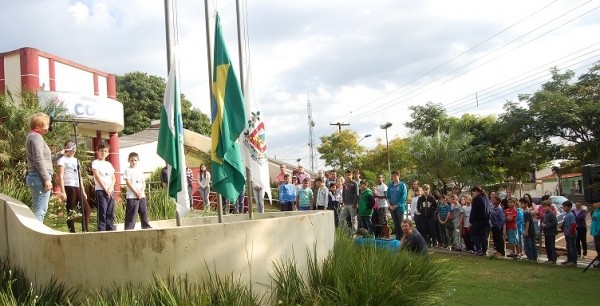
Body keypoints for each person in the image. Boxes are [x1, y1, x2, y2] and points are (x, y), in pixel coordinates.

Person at [56, 140, 91, 232]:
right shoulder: (62, 159)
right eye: (70, 148)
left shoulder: (76, 160)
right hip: (68, 185)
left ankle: (85, 231)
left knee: (87, 210)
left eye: (73, 148)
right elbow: (60, 176)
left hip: (77, 186)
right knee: (70, 209)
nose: (72, 150)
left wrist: (83, 191)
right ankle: (72, 231)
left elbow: (79, 176)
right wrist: (63, 192)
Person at [25, 112, 53, 222]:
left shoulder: (32, 135)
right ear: (39, 125)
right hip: (39, 176)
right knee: (40, 210)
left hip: (36, 175)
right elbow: (38, 159)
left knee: (38, 208)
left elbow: (41, 158)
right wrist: (46, 179)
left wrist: (60, 154)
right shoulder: (36, 137)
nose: (48, 126)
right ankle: (35, 236)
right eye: (46, 124)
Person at [123, 152, 151, 230]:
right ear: (129, 160)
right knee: (131, 214)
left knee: (143, 212)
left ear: (138, 161)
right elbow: (128, 182)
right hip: (132, 196)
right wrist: (136, 192)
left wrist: (141, 192)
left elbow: (143, 182)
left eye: (135, 160)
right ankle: (129, 229)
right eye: (132, 160)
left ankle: (146, 226)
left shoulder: (140, 170)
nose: (134, 162)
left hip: (141, 195)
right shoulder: (127, 170)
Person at [92, 142, 116, 231]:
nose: (103, 153)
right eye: (101, 151)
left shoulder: (109, 164)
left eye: (105, 151)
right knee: (103, 210)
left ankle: (110, 227)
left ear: (108, 153)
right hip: (101, 190)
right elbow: (97, 176)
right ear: (98, 151)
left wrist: (110, 187)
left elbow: (113, 178)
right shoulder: (95, 162)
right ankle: (101, 228)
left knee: (110, 210)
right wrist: (105, 188)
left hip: (110, 190)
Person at [387, 170, 408, 240]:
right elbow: (388, 196)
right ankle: (397, 239)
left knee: (401, 224)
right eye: (392, 176)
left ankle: (403, 239)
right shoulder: (390, 185)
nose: (393, 177)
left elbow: (404, 197)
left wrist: (396, 205)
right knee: (395, 224)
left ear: (399, 176)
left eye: (395, 175)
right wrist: (390, 205)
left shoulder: (402, 185)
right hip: (391, 207)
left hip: (399, 208)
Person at [469, 186, 490, 256]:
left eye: (473, 192)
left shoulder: (477, 199)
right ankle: (484, 250)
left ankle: (478, 248)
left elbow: (474, 211)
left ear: (476, 191)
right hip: (486, 220)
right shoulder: (486, 198)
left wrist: (471, 220)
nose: (473, 194)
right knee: (484, 236)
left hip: (477, 220)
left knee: (474, 234)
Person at [339, 170, 359, 234]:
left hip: (352, 205)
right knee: (341, 219)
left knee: (353, 220)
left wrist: (355, 203)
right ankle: (346, 232)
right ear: (345, 176)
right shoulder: (344, 184)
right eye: (347, 175)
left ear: (352, 175)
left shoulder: (354, 183)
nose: (348, 176)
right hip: (346, 204)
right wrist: (344, 202)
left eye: (349, 175)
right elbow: (343, 193)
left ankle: (354, 234)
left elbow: (357, 194)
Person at [561, 200, 577, 266]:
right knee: (568, 247)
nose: (564, 208)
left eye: (565, 207)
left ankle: (573, 261)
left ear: (569, 207)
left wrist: (571, 233)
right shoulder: (566, 214)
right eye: (563, 207)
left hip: (571, 233)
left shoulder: (571, 215)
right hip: (567, 233)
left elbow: (573, 225)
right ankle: (569, 259)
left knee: (572, 247)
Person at [372, 174, 389, 238]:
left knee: (384, 222)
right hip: (379, 206)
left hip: (384, 206)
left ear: (382, 178)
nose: (379, 179)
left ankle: (388, 237)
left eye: (380, 177)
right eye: (378, 177)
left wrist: (377, 196)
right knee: (381, 223)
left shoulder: (384, 186)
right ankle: (382, 235)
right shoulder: (378, 186)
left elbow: (386, 196)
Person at [541, 200, 557, 264]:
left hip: (551, 233)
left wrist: (546, 225)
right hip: (547, 233)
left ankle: (552, 259)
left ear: (549, 206)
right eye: (543, 207)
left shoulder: (551, 214)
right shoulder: (546, 214)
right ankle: (550, 258)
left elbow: (554, 223)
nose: (544, 208)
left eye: (545, 207)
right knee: (547, 246)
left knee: (551, 246)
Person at [590, 202, 600, 268]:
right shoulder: (595, 211)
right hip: (594, 233)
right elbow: (593, 222)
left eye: (596, 203)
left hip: (598, 233)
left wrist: (597, 231)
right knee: (597, 248)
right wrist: (592, 230)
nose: (594, 204)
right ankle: (599, 260)